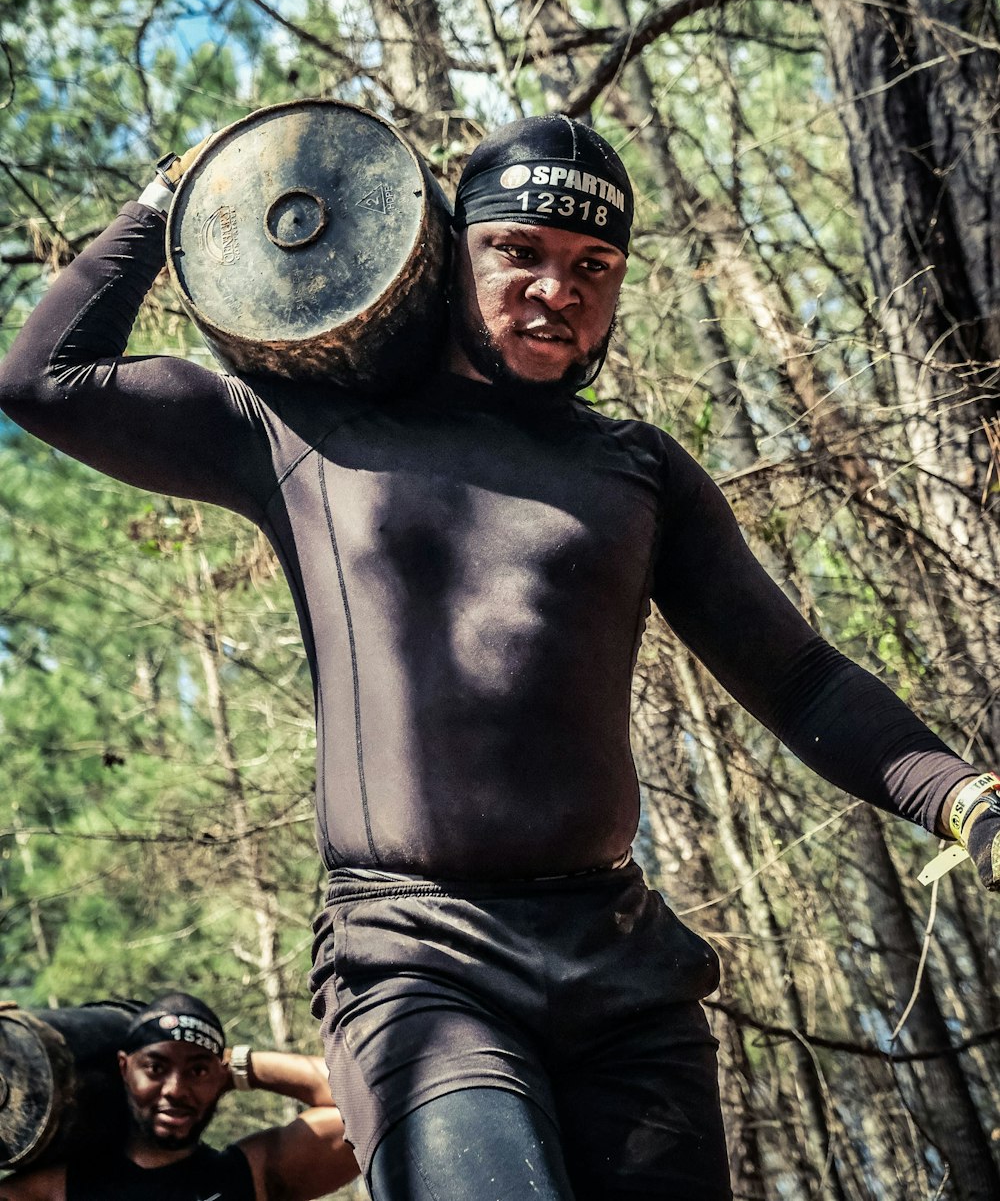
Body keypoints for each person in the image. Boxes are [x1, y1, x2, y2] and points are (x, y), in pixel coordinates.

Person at [0, 112, 997, 1201]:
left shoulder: (639, 472)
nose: (556, 286)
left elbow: (799, 677)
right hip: (414, 959)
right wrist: (179, 186)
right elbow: (47, 378)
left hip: (622, 969)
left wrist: (963, 799)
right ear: (440, 248)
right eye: (517, 250)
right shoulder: (299, 432)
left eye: (592, 265)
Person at [0, 989, 359, 1201]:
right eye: (156, 1068)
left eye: (197, 1070)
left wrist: (236, 1065)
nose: (176, 1089)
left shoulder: (250, 1176)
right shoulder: (59, 1189)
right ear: (124, 1069)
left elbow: (368, 1097)